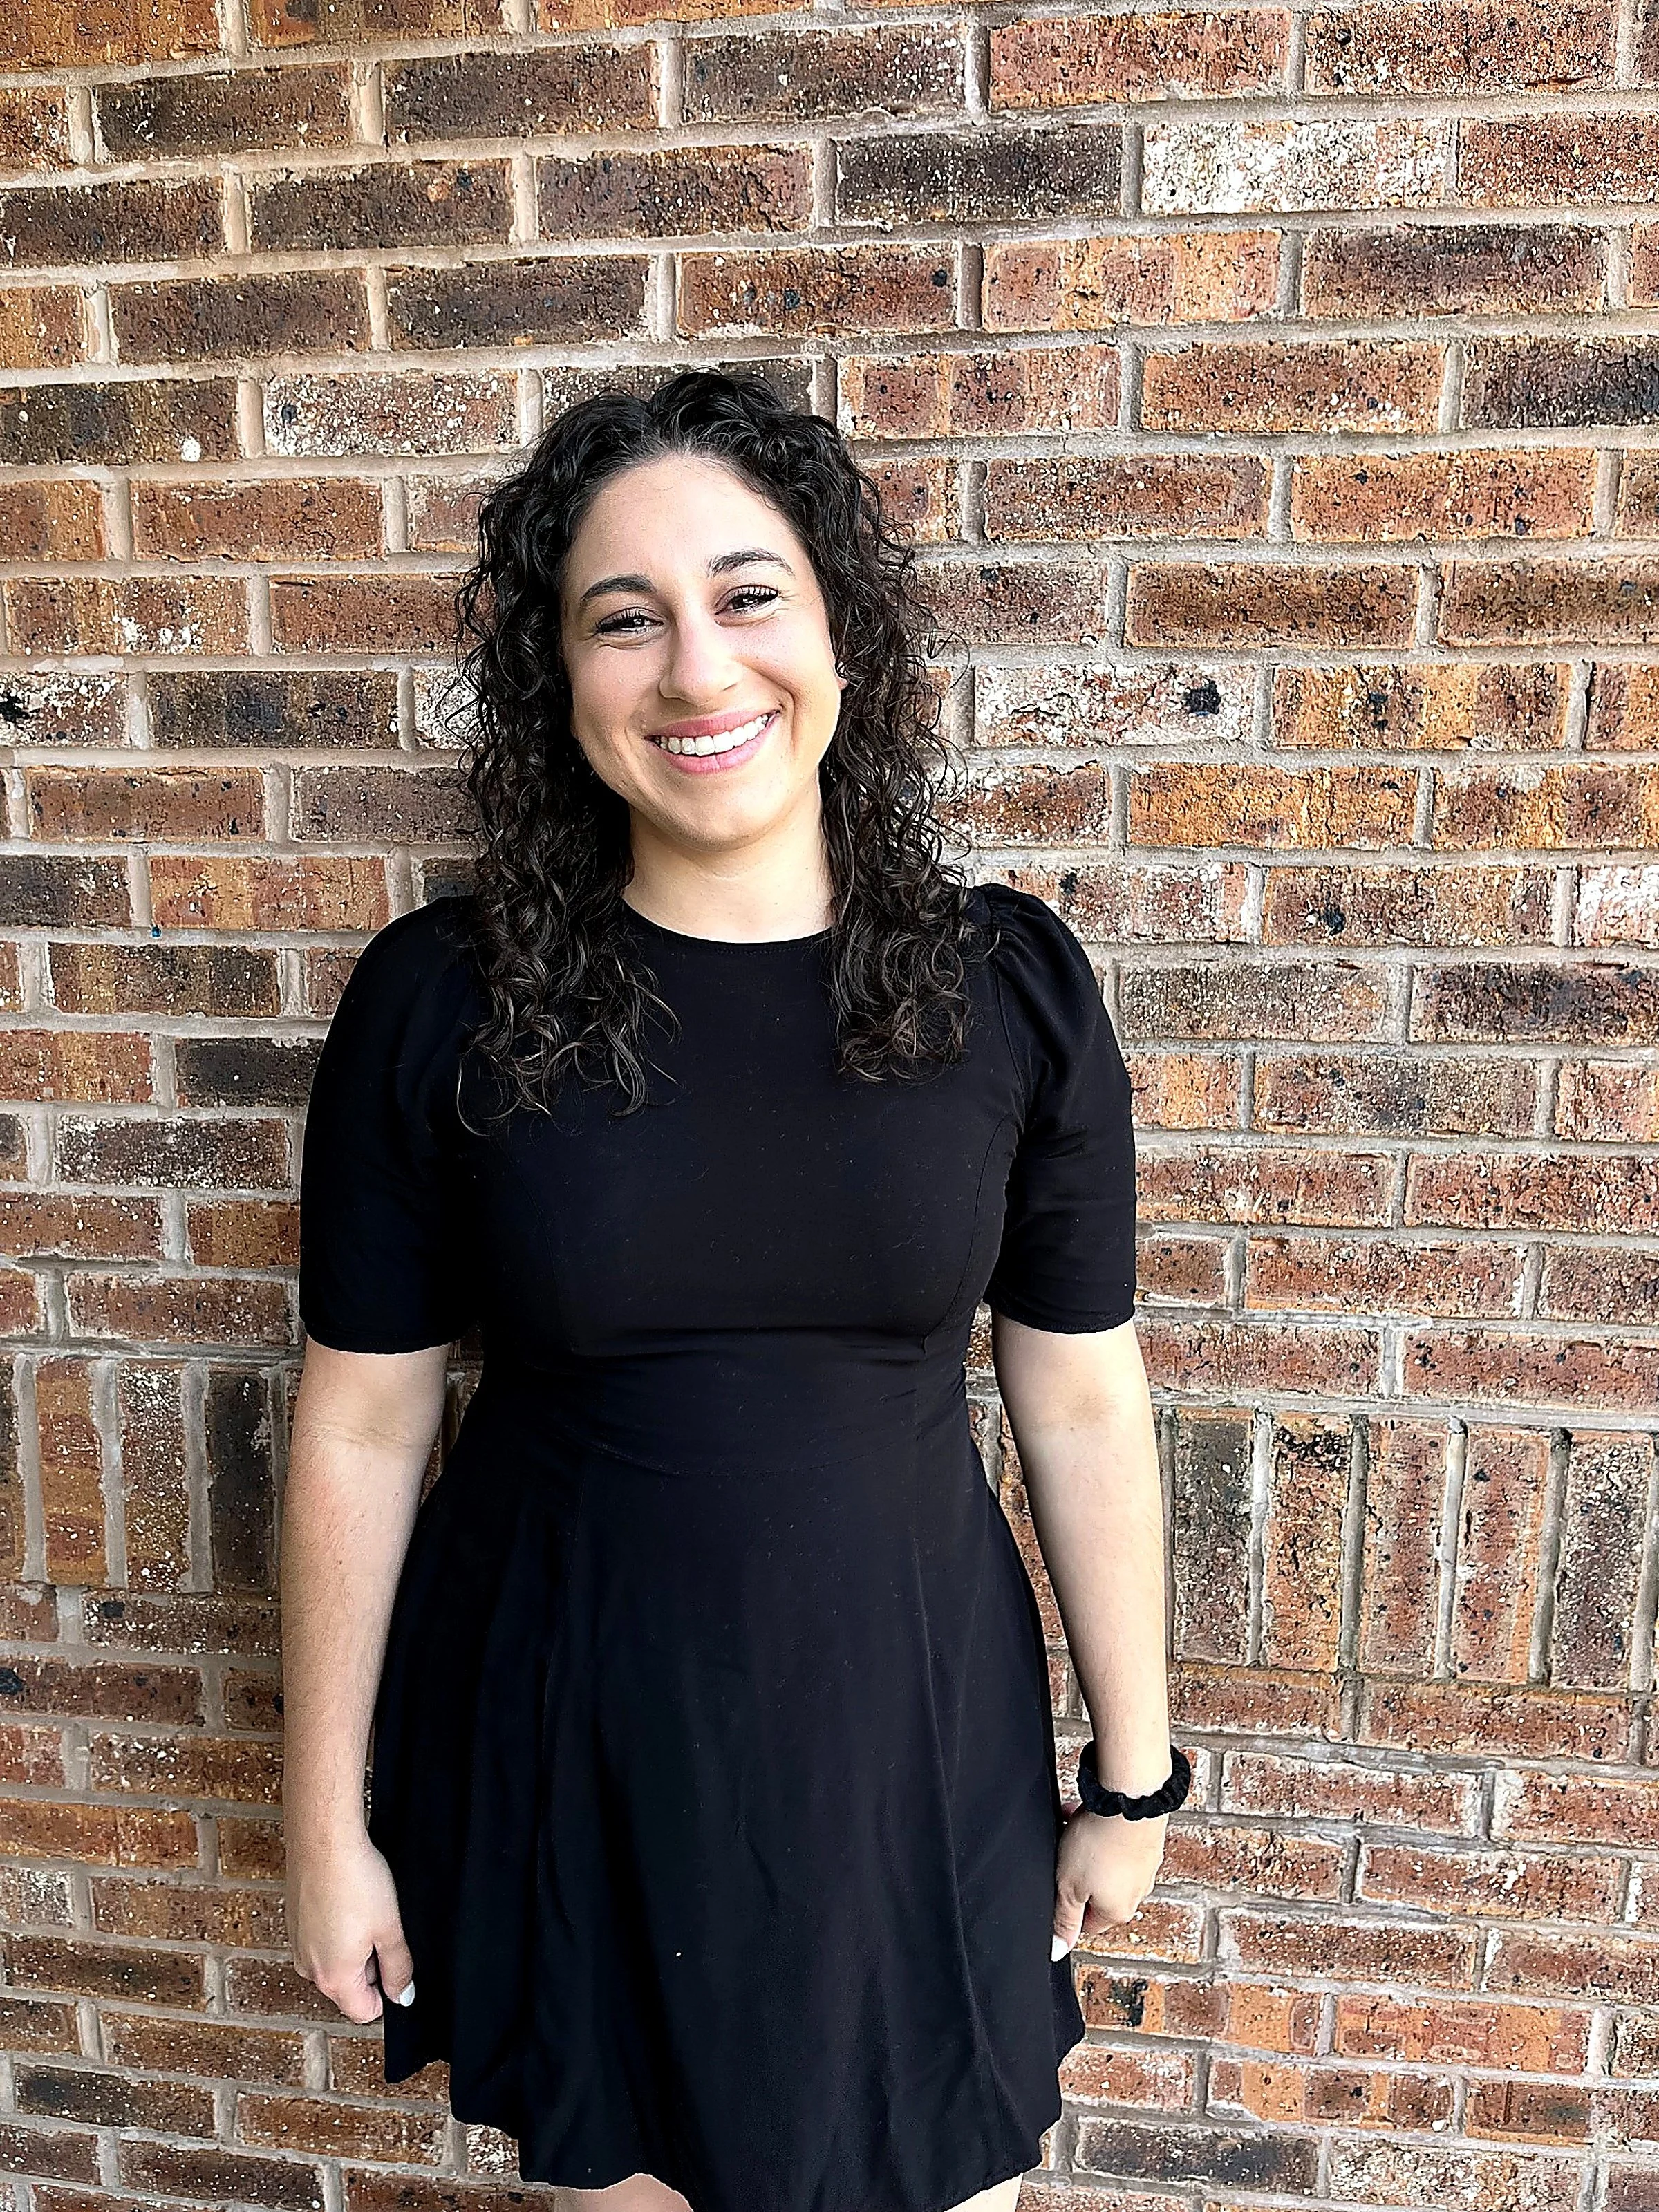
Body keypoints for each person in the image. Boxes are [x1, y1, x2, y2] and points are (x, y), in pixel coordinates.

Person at [279, 368, 1181, 2212]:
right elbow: (363, 1420)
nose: (701, 670)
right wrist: (324, 1817)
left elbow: (1081, 1395)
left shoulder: (1006, 988)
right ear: (564, 680)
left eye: (749, 594)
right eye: (628, 618)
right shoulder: (443, 1001)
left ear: (838, 626)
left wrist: (1135, 1775)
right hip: (574, 1746)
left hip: (908, 1752)